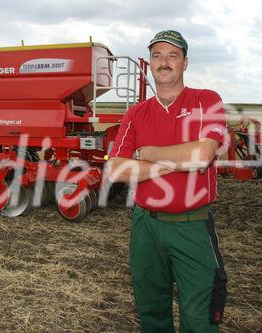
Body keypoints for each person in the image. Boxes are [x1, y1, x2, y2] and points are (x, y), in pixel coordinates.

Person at [107, 30, 228, 332]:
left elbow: (202, 155)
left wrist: (148, 155)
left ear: (185, 62)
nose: (164, 62)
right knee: (151, 310)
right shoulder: (137, 113)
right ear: (150, 63)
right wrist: (177, 161)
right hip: (145, 226)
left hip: (192, 226)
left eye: (173, 55)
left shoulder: (206, 100)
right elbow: (117, 170)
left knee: (199, 319)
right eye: (157, 55)